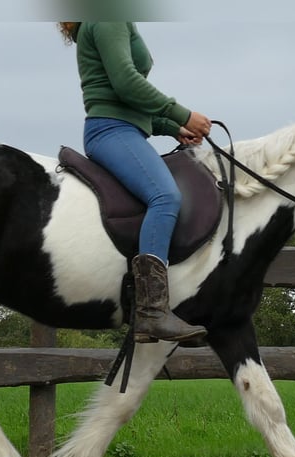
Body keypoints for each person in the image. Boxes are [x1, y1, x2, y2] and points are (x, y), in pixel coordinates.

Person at [59, 22, 210, 344]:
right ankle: (152, 312)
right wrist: (182, 114)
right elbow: (126, 83)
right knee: (166, 197)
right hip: (112, 132)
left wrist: (171, 127)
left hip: (124, 129)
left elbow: (123, 99)